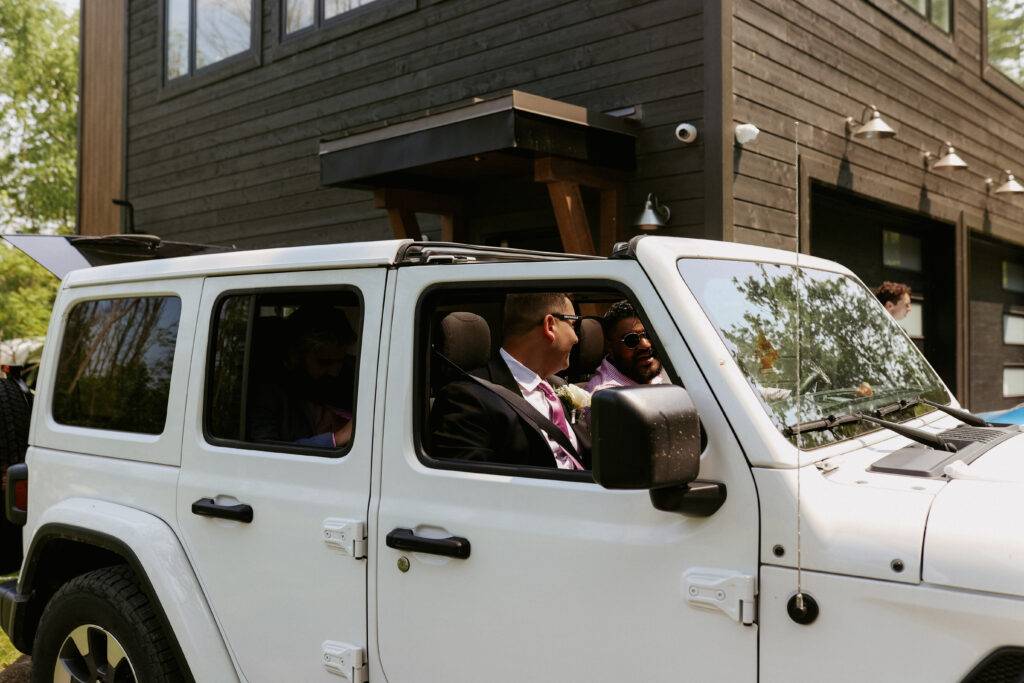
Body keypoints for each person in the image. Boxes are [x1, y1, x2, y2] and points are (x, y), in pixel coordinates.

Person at [429, 292, 591, 469]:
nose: (576, 338)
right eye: (573, 325)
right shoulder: (467, 399)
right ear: (550, 325)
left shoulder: (558, 385)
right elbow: (469, 481)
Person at [248, 306, 357, 448]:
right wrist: (338, 438)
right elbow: (266, 453)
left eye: (340, 360)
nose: (335, 372)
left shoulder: (350, 375)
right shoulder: (268, 396)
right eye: (324, 362)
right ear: (294, 355)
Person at [585, 301, 668, 393]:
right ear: (610, 347)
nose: (645, 345)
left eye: (649, 335)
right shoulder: (608, 395)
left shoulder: (648, 376)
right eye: (631, 340)